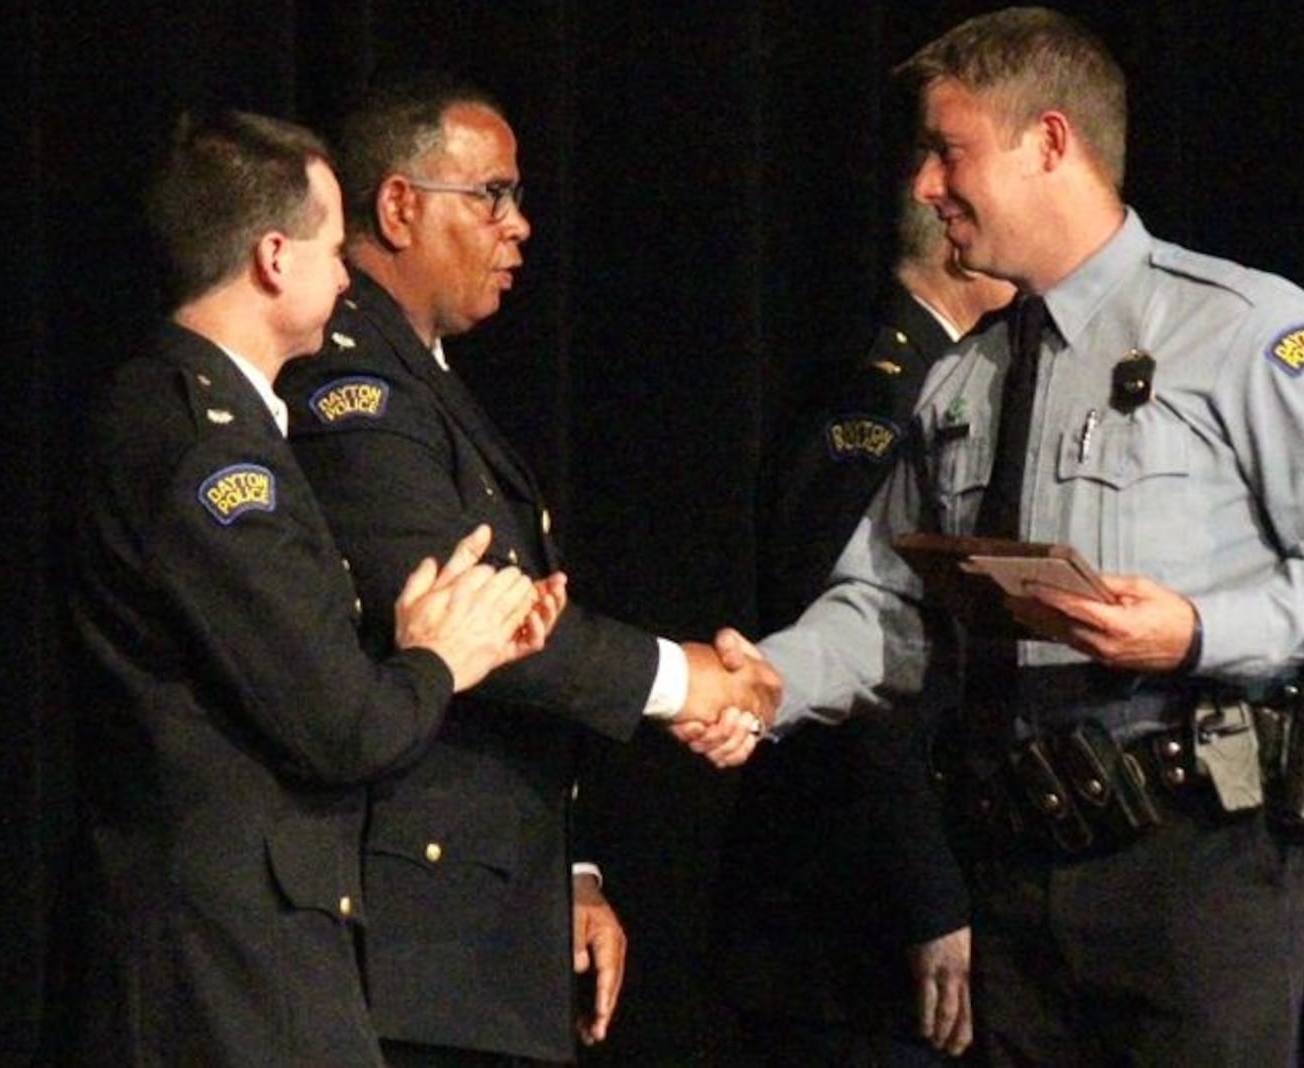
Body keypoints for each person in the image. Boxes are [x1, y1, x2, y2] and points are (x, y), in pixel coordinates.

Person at [731, 8, 1304, 1065]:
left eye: (947, 149)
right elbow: (883, 605)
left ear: (1049, 141)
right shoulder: (964, 378)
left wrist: (1195, 629)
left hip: (1197, 867)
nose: (925, 185)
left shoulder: (1239, 328)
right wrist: (762, 683)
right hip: (1016, 868)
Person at [276, 79, 778, 1067]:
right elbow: (483, 631)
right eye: (492, 196)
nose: (520, 226)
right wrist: (691, 681)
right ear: (399, 207)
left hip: (483, 928)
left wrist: (572, 876)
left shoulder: (425, 381)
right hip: (412, 946)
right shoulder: (351, 383)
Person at [58, 111, 554, 1066]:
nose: (344, 275)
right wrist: (437, 658)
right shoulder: (209, 451)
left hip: (234, 951)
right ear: (274, 258)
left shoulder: (206, 417)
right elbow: (341, 727)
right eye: (334, 249)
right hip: (229, 965)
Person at [719, 194, 1013, 1066]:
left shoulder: (939, 382)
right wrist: (929, 896)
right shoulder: (875, 404)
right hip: (846, 930)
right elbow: (865, 661)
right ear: (963, 250)